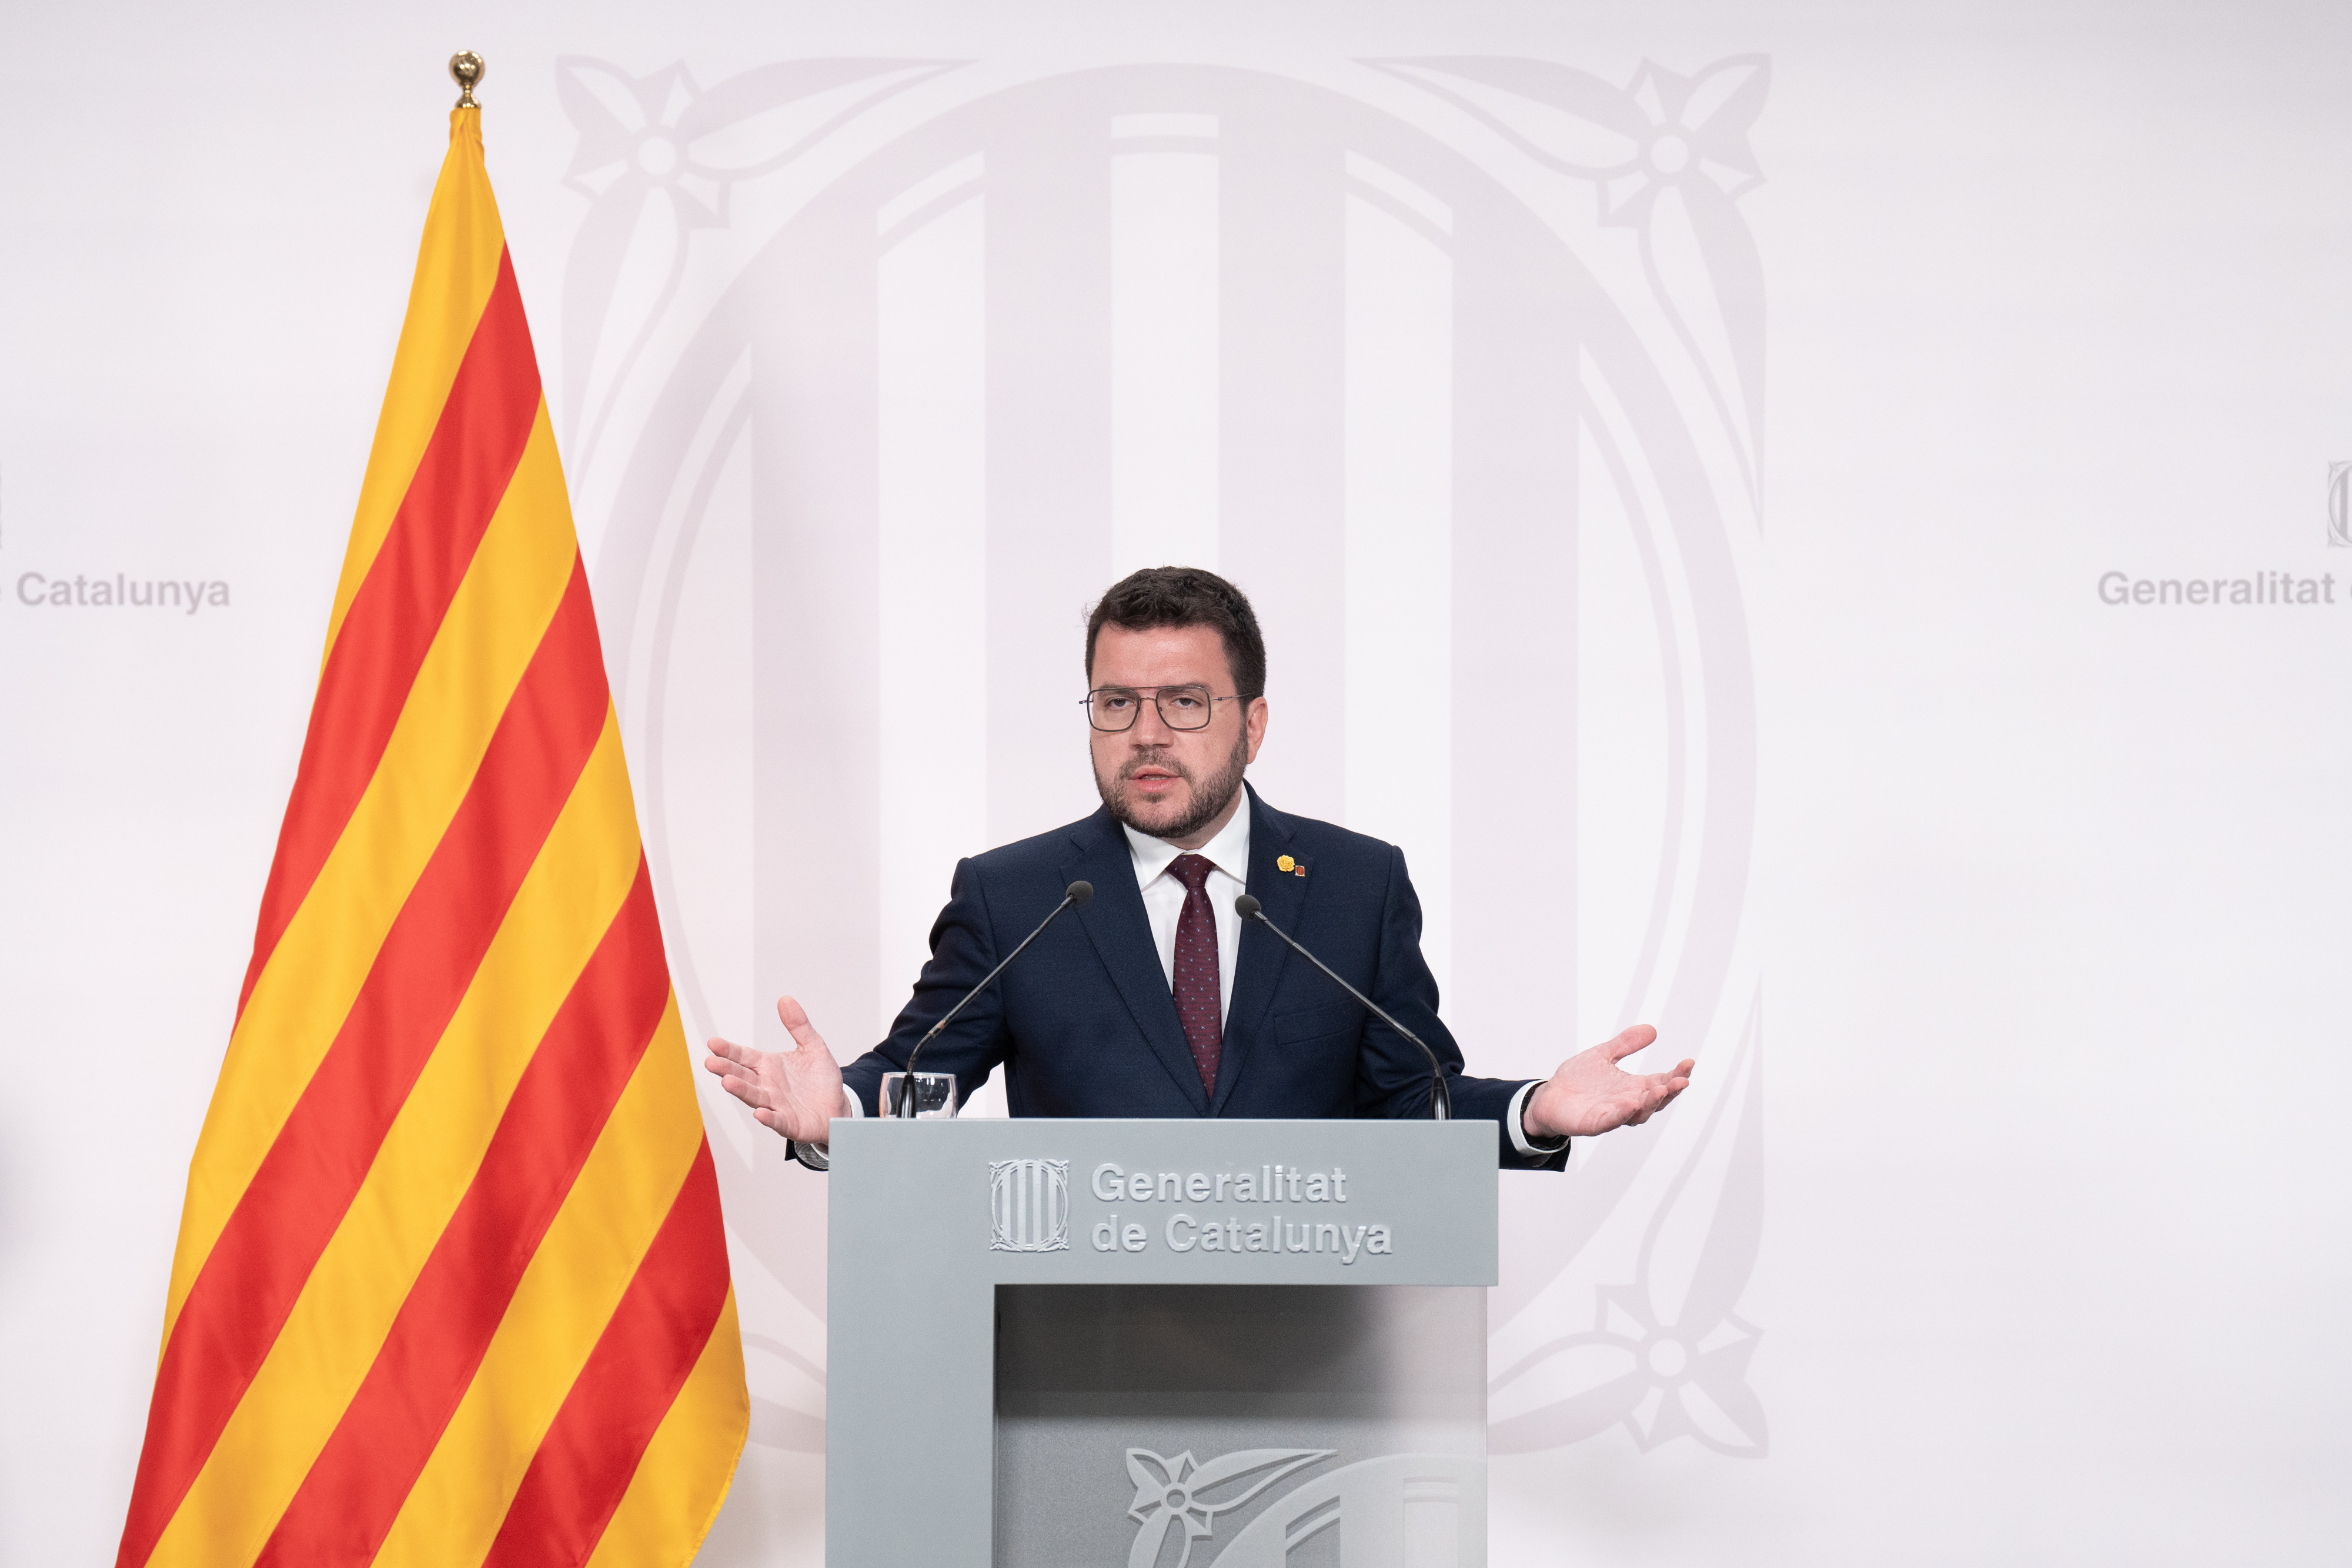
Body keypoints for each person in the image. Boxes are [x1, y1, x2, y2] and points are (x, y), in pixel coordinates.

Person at [704, 566, 1692, 1168]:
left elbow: (1412, 1106)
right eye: (1115, 703)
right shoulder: (1015, 898)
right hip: (1077, 1345)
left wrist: (1536, 1111)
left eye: (1184, 703)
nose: (1146, 735)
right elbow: (918, 1080)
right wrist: (835, 1116)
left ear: (1251, 723)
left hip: (1311, 1351)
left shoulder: (1356, 886)